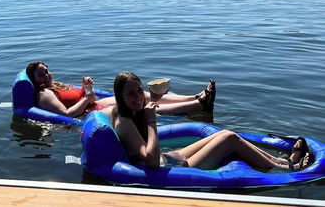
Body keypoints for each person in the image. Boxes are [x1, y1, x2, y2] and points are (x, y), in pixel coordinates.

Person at [108, 71, 313, 170]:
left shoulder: (133, 113)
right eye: (130, 94)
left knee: (223, 134)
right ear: (120, 97)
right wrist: (151, 122)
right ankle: (287, 169)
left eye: (138, 91)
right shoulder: (125, 122)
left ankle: (281, 161)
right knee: (230, 139)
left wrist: (151, 103)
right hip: (167, 168)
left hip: (170, 158)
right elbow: (150, 161)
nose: (137, 97)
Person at [25, 61, 216, 118]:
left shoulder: (54, 86)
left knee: (143, 96)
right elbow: (66, 113)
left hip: (93, 105)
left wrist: (85, 88)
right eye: (41, 74)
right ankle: (198, 106)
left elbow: (75, 98)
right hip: (89, 114)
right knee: (137, 106)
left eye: (47, 71)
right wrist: (86, 100)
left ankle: (194, 97)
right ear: (34, 80)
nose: (48, 75)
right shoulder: (44, 94)